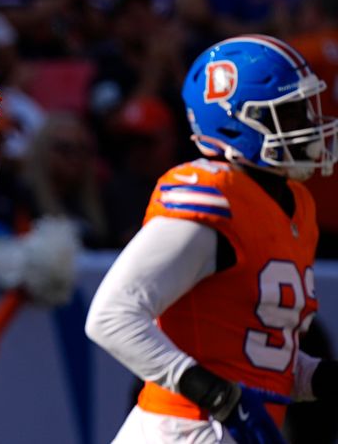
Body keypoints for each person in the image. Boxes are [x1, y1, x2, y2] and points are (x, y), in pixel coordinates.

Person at [85, 34, 338, 443]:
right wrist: (215, 394)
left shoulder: (297, 206)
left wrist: (321, 377)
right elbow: (112, 317)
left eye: (305, 112)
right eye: (289, 115)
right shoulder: (211, 193)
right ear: (234, 121)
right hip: (181, 429)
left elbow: (259, 362)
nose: (307, 127)